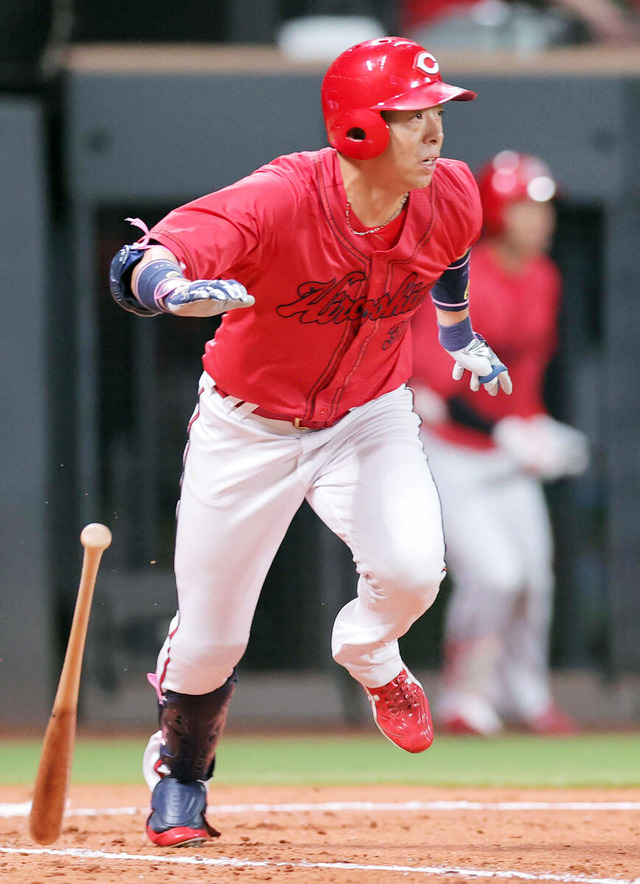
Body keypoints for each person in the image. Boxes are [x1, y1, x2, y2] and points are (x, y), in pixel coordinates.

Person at [108, 36, 512, 847]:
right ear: (360, 128)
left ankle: (369, 652)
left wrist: (459, 332)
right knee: (213, 636)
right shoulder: (278, 199)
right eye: (412, 117)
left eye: (438, 113)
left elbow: (452, 256)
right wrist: (173, 290)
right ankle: (180, 776)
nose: (435, 132)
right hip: (247, 428)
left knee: (410, 572)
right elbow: (139, 262)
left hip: (368, 416)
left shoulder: (452, 192)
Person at [410, 150, 589, 737]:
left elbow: (529, 370)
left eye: (544, 207)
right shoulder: (464, 275)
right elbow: (436, 387)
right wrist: (505, 432)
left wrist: (536, 426)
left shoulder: (544, 277)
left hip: (505, 451)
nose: (541, 218)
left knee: (535, 578)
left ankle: (528, 694)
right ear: (496, 210)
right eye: (525, 206)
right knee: (494, 574)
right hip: (451, 446)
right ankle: (464, 696)